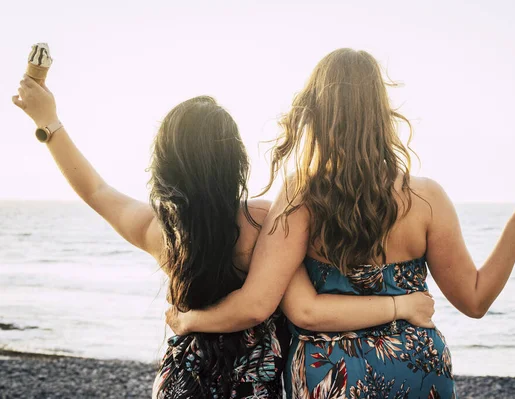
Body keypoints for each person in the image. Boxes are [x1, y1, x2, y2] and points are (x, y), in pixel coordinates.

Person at [165, 48, 515, 398]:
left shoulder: (301, 197)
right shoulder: (427, 199)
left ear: (315, 113)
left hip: (332, 376)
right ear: (381, 113)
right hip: (417, 368)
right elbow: (475, 300)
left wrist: (190, 320)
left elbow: (270, 307)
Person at [13, 75, 436, 399]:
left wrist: (47, 121)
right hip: (251, 385)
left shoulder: (160, 231)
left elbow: (96, 191)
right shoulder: (266, 224)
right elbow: (288, 304)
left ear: (165, 168)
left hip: (180, 379)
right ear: (236, 161)